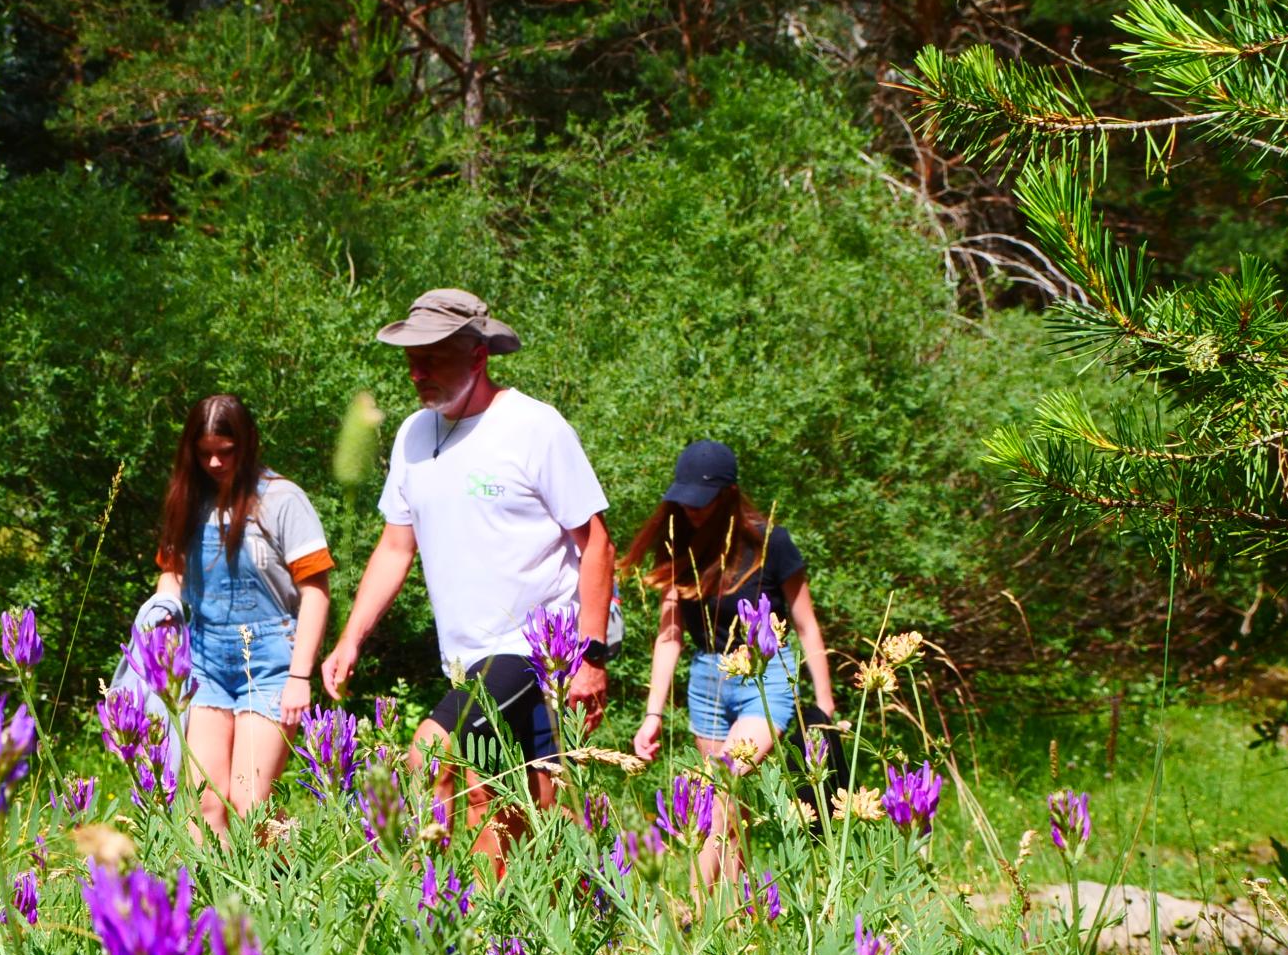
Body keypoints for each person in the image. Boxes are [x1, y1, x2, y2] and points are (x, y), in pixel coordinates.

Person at [320, 289, 613, 869]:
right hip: (465, 653)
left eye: (432, 357)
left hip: (536, 645)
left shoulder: (533, 427)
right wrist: (350, 638)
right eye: (411, 359)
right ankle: (519, 917)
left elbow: (597, 543)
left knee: (430, 753)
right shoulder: (413, 435)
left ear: (478, 356)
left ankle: (418, 893)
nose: (417, 372)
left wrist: (592, 655)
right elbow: (396, 545)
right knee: (515, 805)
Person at [622, 440, 838, 878]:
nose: (692, 509)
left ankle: (694, 911)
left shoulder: (771, 542)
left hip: (766, 675)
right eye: (686, 500)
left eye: (702, 501)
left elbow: (806, 625)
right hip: (707, 681)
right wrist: (652, 714)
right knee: (724, 806)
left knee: (718, 784)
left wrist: (825, 703)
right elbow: (669, 637)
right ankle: (737, 912)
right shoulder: (680, 541)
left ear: (729, 495)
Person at [153, 394, 334, 837]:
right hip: (205, 661)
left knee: (249, 800)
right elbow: (171, 574)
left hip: (271, 663)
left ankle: (289, 878)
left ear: (248, 443)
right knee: (204, 800)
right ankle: (214, 885)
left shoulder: (282, 499)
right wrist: (162, 616)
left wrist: (300, 676)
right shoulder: (188, 500)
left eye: (226, 451)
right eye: (204, 453)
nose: (214, 462)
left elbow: (315, 592)